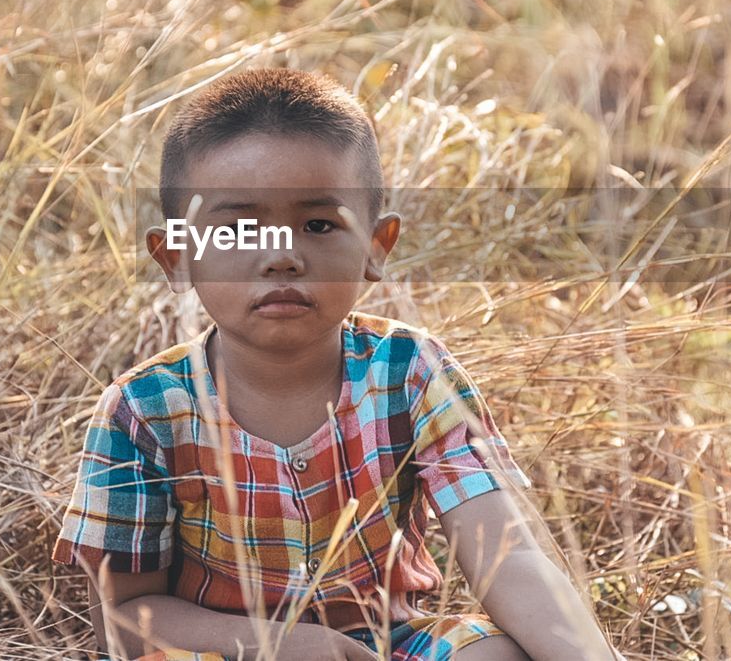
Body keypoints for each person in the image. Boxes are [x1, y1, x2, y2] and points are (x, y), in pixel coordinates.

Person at [51, 68, 620, 660]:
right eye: (236, 230)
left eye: (319, 224)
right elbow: (121, 618)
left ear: (377, 247)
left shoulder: (410, 371)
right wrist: (283, 644)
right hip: (227, 650)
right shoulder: (143, 410)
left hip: (388, 647)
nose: (282, 256)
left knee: (492, 654)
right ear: (177, 258)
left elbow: (508, 555)